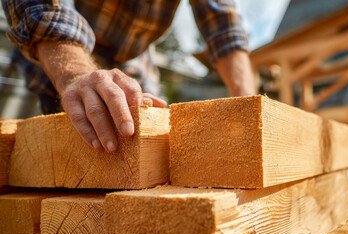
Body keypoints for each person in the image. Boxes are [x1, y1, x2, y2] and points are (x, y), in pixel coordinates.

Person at [2, 0, 256, 152]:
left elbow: (223, 24)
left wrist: (250, 108)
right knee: (79, 148)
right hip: (64, 50)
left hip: (134, 63)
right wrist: (74, 74)